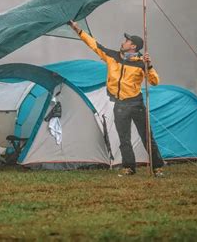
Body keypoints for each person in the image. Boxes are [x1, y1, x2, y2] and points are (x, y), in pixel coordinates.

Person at [68, 20, 165, 177]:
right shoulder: (112, 56)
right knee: (124, 138)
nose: (123, 42)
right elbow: (94, 45)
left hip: (136, 103)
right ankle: (129, 168)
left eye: (127, 41)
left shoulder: (142, 63)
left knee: (147, 136)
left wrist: (150, 66)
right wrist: (78, 30)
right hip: (119, 104)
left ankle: (157, 167)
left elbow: (155, 82)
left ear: (133, 46)